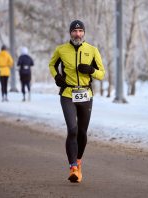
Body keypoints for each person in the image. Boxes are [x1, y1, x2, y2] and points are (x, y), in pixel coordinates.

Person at [49, 20, 105, 183]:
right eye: (75, 31)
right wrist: (57, 77)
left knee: (82, 132)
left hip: (86, 94)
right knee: (72, 129)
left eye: (80, 31)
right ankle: (73, 167)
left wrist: (91, 70)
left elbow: (101, 74)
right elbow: (52, 64)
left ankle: (78, 162)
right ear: (70, 33)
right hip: (68, 93)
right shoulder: (61, 50)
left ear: (84, 33)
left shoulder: (92, 50)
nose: (78, 34)